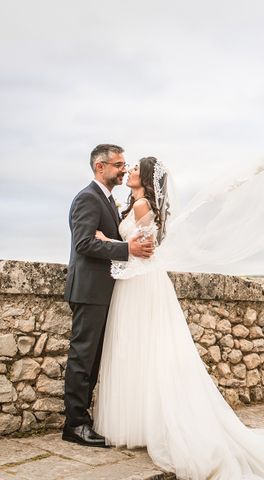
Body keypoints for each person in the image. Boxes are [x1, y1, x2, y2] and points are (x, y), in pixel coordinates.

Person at [93, 157, 264, 480]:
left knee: (145, 353)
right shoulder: (136, 204)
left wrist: (106, 242)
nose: (130, 171)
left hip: (140, 285)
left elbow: (142, 252)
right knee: (142, 354)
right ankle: (141, 423)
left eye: (136, 168)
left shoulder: (140, 207)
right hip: (137, 286)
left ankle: (155, 427)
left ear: (146, 178)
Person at [63, 144, 155, 447]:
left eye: (125, 164)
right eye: (117, 165)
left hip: (104, 291)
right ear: (99, 167)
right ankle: (75, 424)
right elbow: (84, 244)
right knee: (82, 357)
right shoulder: (88, 198)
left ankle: (83, 421)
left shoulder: (109, 200)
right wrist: (125, 248)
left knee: (93, 360)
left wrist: (117, 242)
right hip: (89, 291)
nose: (123, 169)